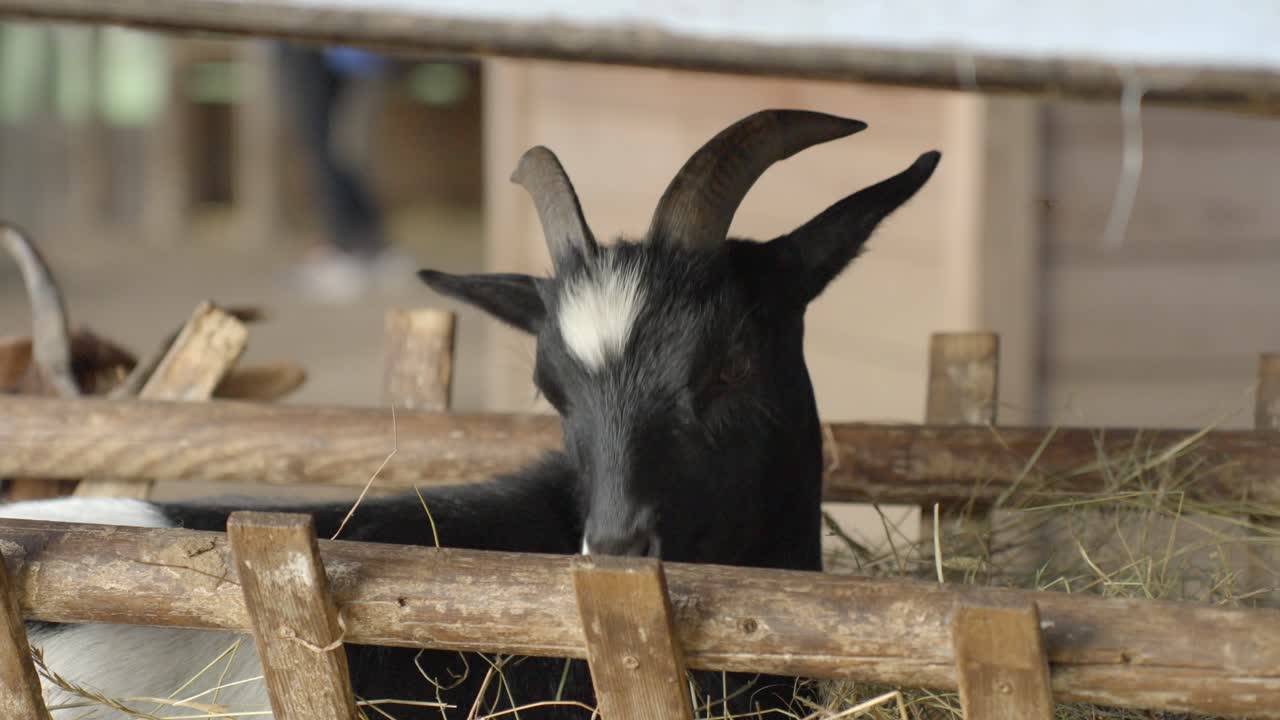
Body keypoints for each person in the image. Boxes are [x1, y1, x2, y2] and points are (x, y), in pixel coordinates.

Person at [272, 42, 413, 303]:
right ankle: (367, 245)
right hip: (345, 44)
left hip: (319, 37)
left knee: (321, 143)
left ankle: (343, 247)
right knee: (330, 145)